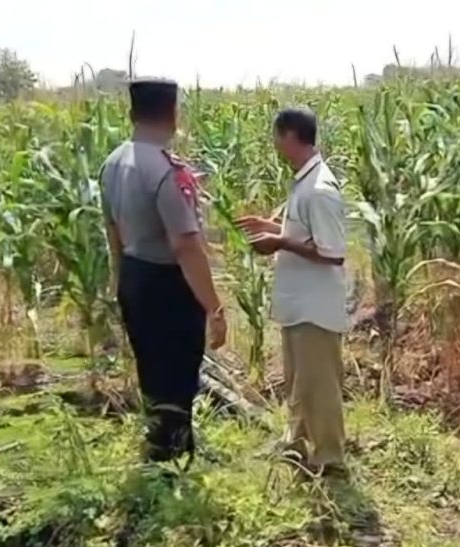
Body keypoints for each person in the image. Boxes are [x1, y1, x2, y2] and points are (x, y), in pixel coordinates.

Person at [99, 78, 226, 462]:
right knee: (177, 371)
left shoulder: (113, 162)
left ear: (132, 114)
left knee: (151, 369)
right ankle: (169, 457)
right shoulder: (166, 171)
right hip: (167, 285)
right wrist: (214, 306)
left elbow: (112, 230)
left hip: (133, 275)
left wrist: (120, 280)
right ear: (172, 115)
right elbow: (185, 245)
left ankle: (162, 444)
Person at [236, 107, 348, 475]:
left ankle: (329, 457)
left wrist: (280, 242)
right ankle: (297, 443)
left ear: (288, 136)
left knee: (320, 386)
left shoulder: (320, 190)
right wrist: (269, 227)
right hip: (299, 304)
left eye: (276, 135)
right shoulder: (304, 181)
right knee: (299, 382)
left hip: (315, 307)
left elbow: (332, 252)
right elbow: (305, 233)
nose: (274, 143)